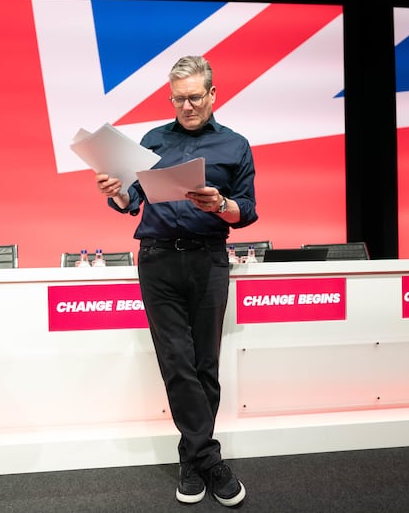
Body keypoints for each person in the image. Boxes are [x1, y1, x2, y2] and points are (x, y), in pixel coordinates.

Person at [95, 55, 257, 507]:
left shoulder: (235, 145)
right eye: (177, 99)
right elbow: (132, 199)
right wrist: (118, 192)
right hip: (158, 261)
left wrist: (220, 203)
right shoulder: (151, 140)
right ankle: (210, 460)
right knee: (177, 362)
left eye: (193, 98)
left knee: (205, 363)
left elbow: (247, 210)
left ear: (212, 94)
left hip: (209, 260)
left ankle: (191, 459)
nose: (185, 106)